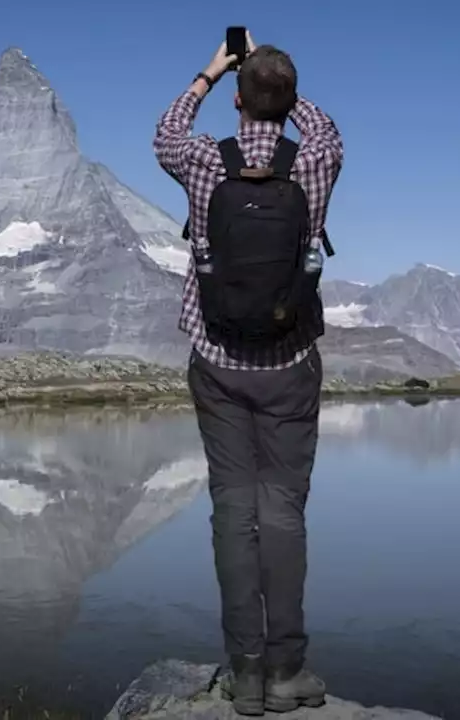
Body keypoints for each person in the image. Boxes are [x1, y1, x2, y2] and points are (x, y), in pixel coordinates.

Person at [152, 30, 344, 716]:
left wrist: (211, 72)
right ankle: (289, 669)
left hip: (218, 363)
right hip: (291, 363)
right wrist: (278, 82)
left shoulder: (204, 160)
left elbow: (165, 131)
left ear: (236, 100)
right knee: (283, 512)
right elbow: (319, 125)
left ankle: (246, 676)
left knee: (234, 509)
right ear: (288, 101)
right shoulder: (316, 158)